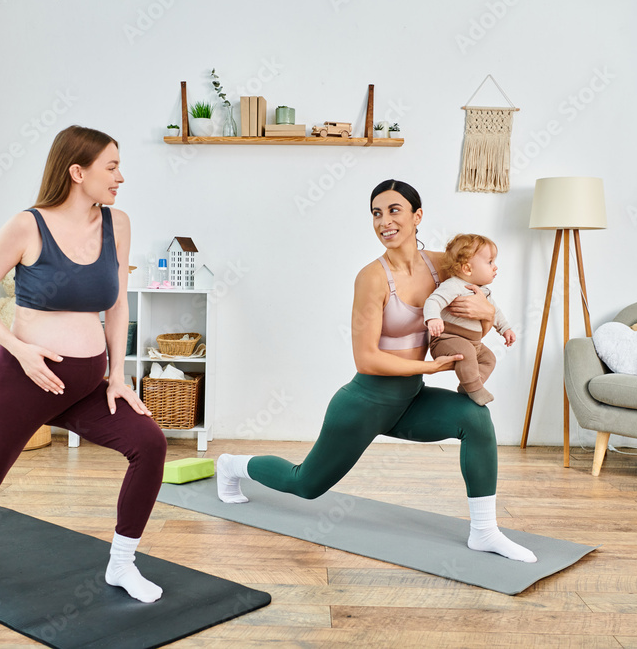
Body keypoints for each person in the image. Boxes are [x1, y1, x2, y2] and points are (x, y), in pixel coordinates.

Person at [0, 125, 168, 603]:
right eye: (112, 166)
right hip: (22, 381)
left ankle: (122, 564)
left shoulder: (117, 224)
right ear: (77, 172)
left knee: (150, 443)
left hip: (84, 385)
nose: (121, 176)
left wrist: (118, 375)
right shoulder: (27, 225)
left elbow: (119, 304)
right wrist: (17, 348)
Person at [217, 179, 536, 563]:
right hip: (366, 402)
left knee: (476, 419)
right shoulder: (372, 277)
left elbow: (477, 308)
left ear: (418, 216)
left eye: (394, 210)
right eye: (376, 213)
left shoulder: (442, 266)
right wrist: (428, 366)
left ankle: (484, 531)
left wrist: (487, 314)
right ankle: (232, 465)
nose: (385, 221)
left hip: (410, 399)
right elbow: (365, 359)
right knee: (305, 484)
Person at [423, 233, 516, 406]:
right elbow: (433, 300)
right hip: (446, 339)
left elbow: (495, 312)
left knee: (489, 358)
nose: (495, 267)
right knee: (465, 351)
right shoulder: (453, 286)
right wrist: (433, 318)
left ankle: (470, 385)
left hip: (473, 344)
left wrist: (506, 329)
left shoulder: (484, 291)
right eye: (490, 262)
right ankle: (475, 389)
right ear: (467, 269)